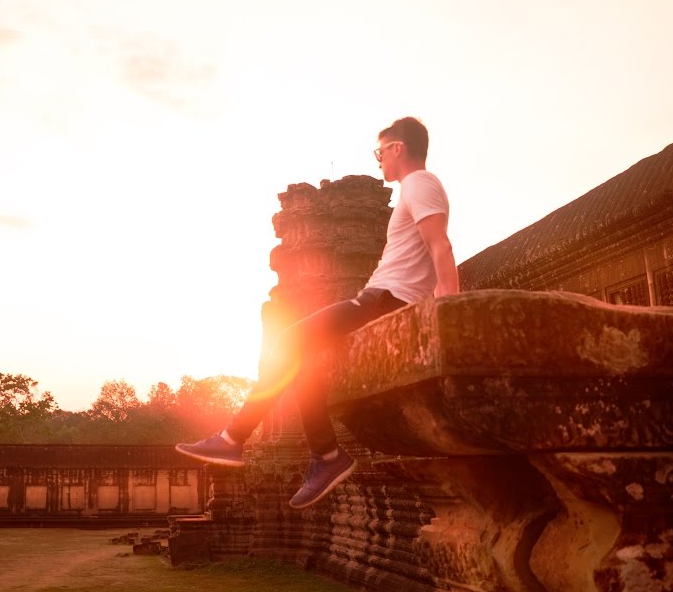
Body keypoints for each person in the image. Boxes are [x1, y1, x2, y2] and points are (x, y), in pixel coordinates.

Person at [175, 116, 460, 508]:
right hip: (382, 297)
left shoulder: (419, 183)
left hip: (385, 299)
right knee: (299, 361)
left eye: (380, 152)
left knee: (288, 339)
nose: (379, 160)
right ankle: (306, 452)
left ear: (398, 148)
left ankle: (258, 444)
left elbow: (440, 246)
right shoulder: (417, 187)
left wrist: (445, 311)